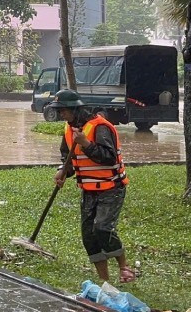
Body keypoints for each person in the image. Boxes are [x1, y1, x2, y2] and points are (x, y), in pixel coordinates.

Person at [49, 89, 136, 284]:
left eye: (63, 110)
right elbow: (68, 158)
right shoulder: (69, 129)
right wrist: (63, 171)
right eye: (59, 111)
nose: (61, 114)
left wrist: (86, 144)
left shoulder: (100, 127)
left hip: (111, 187)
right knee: (88, 235)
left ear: (75, 109)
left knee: (102, 228)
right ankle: (104, 280)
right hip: (88, 189)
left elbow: (109, 157)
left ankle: (124, 267)